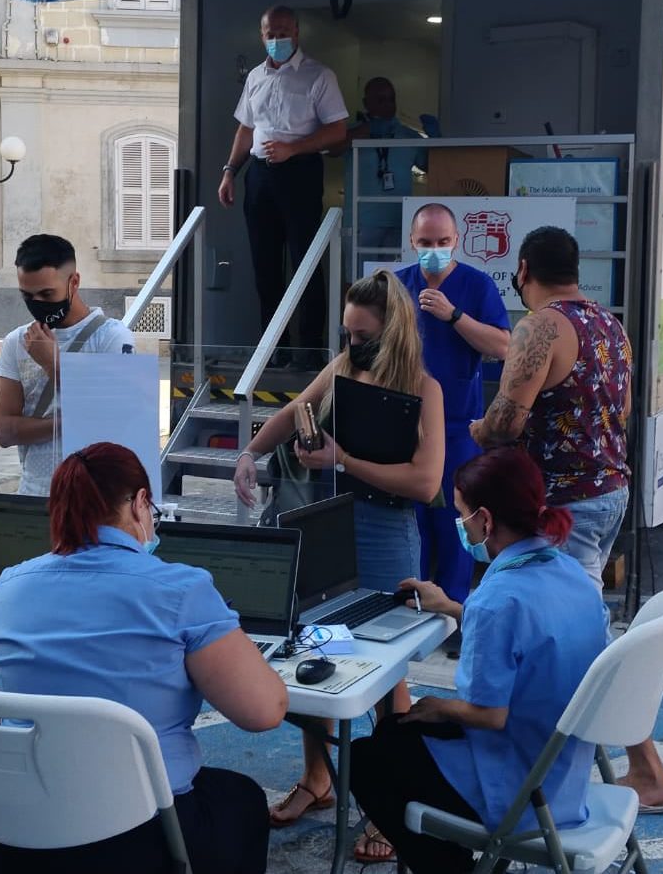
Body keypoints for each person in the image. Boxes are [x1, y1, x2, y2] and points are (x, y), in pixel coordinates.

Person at [0, 442, 287, 874]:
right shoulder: (182, 589)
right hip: (138, 833)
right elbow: (264, 711)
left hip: (19, 824)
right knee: (243, 799)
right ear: (141, 503)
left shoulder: (12, 584)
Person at [471, 226, 663, 813]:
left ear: (524, 270)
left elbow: (507, 424)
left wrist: (475, 432)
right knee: (579, 624)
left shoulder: (540, 326)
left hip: (564, 504)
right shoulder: (610, 326)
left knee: (578, 636)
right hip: (607, 491)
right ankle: (629, 765)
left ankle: (640, 770)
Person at [231, 269, 444, 836]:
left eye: (362, 335)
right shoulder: (344, 367)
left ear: (392, 331)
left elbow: (426, 484)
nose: (351, 344)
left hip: (384, 532)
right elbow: (292, 410)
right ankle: (317, 777)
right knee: (312, 648)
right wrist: (249, 453)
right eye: (347, 333)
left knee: (385, 668)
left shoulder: (424, 388)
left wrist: (343, 460)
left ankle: (393, 804)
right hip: (327, 527)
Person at [348, 446, 608, 872]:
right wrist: (452, 607)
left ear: (485, 520)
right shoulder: (567, 571)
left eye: (462, 513)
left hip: (518, 784)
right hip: (564, 771)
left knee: (366, 759)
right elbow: (524, 632)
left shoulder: (495, 600)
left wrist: (439, 706)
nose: (461, 526)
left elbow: (489, 715)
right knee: (396, 731)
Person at [395, 204, 512, 607]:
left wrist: (454, 315)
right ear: (412, 241)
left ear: (456, 241)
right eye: (425, 242)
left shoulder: (476, 286)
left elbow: (503, 346)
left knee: (456, 525)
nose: (434, 250)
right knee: (410, 525)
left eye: (443, 242)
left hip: (457, 427)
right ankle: (408, 606)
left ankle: (455, 613)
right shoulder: (396, 287)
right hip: (405, 427)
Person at [218, 5, 349, 349]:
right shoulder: (255, 77)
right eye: (270, 34)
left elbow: (337, 131)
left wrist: (296, 148)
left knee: (304, 260)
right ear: (262, 36)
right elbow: (247, 128)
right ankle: (273, 345)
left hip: (300, 172)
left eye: (283, 33)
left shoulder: (319, 75)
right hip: (260, 176)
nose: (277, 40)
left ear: (296, 33)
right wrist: (230, 171)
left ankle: (309, 345)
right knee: (265, 263)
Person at [0, 234, 136, 496]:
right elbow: (4, 431)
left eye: (48, 293)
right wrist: (73, 420)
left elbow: (115, 422)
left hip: (95, 495)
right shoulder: (17, 341)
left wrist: (53, 364)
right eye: (28, 295)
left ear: (74, 282)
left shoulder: (112, 337)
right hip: (35, 491)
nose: (39, 303)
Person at [329, 77, 433, 250]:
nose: (387, 105)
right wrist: (366, 130)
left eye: (391, 99)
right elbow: (332, 150)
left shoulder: (407, 136)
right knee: (359, 277)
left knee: (395, 277)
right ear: (366, 103)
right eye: (380, 100)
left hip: (399, 220)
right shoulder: (352, 132)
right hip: (361, 221)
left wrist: (437, 143)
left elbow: (430, 167)